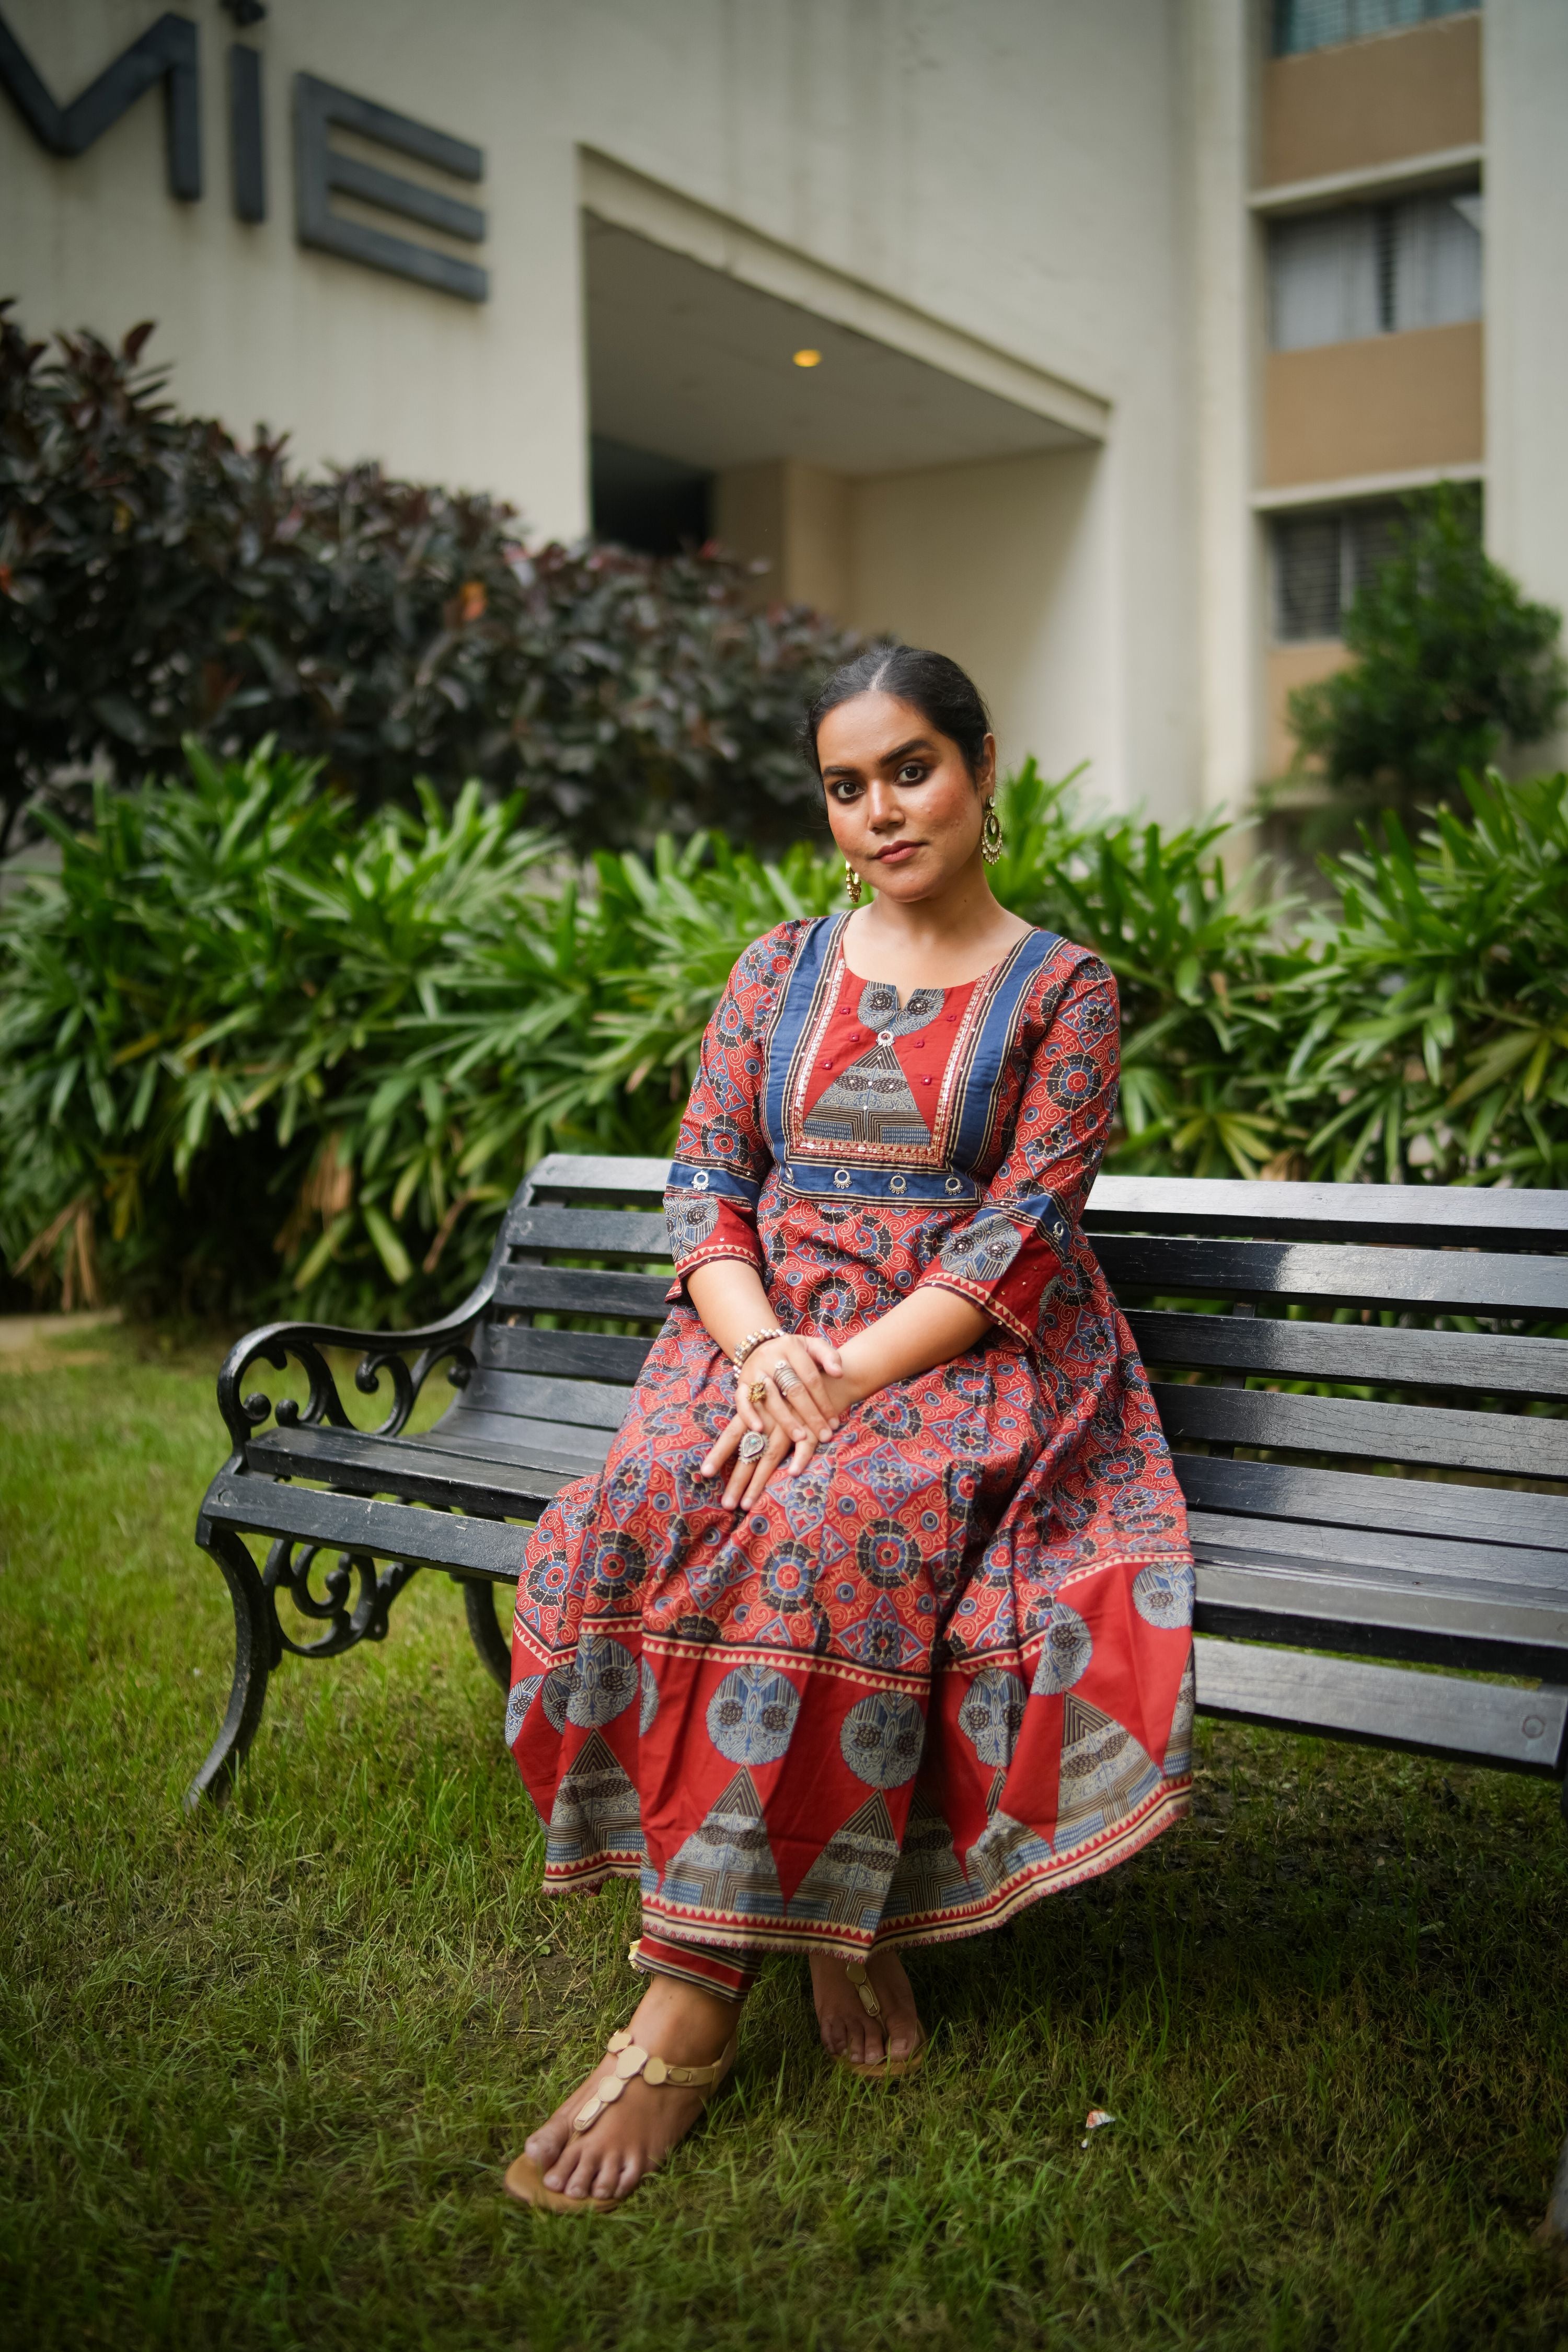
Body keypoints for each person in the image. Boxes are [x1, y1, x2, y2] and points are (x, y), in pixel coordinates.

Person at [503, 646, 1195, 2215]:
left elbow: (1019, 1236)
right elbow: (705, 1180)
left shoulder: (1063, 988)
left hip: (957, 1351)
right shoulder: (775, 970)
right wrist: (761, 1356)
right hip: (755, 1340)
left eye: (909, 769)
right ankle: (838, 1910)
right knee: (647, 1516)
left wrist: (847, 1379)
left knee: (833, 1526)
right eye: (845, 784)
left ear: (981, 766)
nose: (878, 810)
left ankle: (688, 2004)